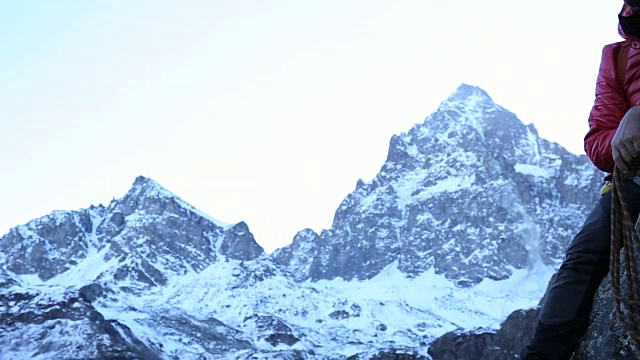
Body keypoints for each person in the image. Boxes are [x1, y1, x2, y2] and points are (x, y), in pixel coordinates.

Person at [521, 1, 640, 359]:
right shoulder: (618, 56)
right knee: (584, 256)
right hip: (634, 178)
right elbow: (598, 142)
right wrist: (626, 131)